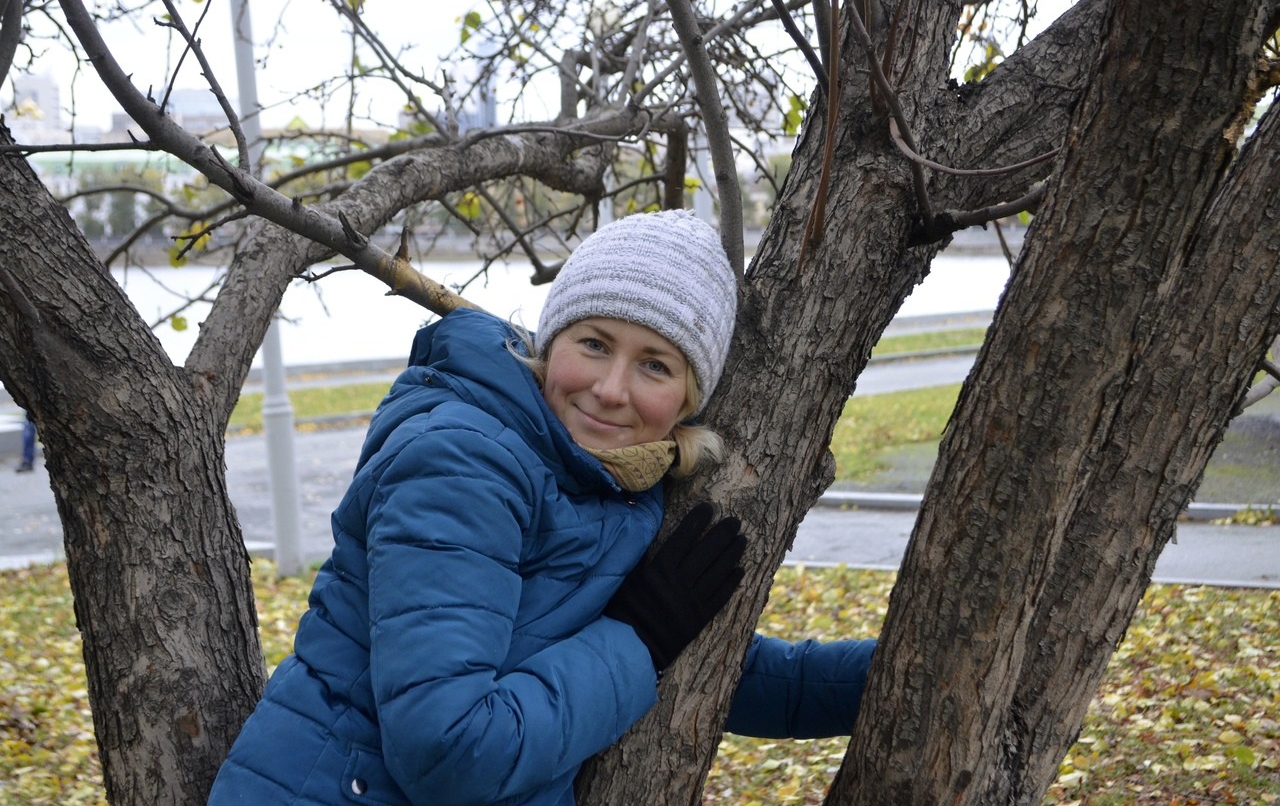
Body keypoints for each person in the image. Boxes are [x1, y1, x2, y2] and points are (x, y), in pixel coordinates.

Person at [208, 210, 876, 806]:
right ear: (550, 344)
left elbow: (723, 667)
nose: (610, 389)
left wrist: (903, 672)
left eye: (655, 365)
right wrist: (639, 639)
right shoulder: (464, 463)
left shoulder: (613, 487)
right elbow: (449, 752)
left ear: (688, 400)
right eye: (594, 344)